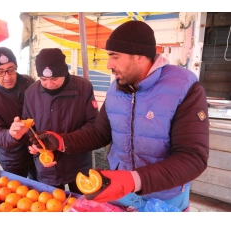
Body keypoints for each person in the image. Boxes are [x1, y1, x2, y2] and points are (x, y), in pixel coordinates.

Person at [29, 21, 209, 211]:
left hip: (166, 198)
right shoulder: (117, 88)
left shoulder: (184, 88)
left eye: (114, 56)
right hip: (121, 193)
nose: (109, 65)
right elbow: (99, 133)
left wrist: (134, 179)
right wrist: (60, 141)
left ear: (140, 55)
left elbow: (193, 158)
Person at [20, 48, 99, 194]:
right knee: (51, 206)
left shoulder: (84, 88)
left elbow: (93, 125)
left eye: (54, 78)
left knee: (82, 205)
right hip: (47, 165)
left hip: (78, 162)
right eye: (44, 80)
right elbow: (28, 125)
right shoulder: (31, 92)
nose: (49, 84)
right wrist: (32, 144)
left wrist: (63, 141)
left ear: (65, 72)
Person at [0, 47, 37, 179]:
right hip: (13, 157)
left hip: (36, 148)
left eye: (11, 70)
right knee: (15, 193)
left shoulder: (29, 82)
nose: (7, 77)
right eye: (0, 72)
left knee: (41, 189)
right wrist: (11, 134)